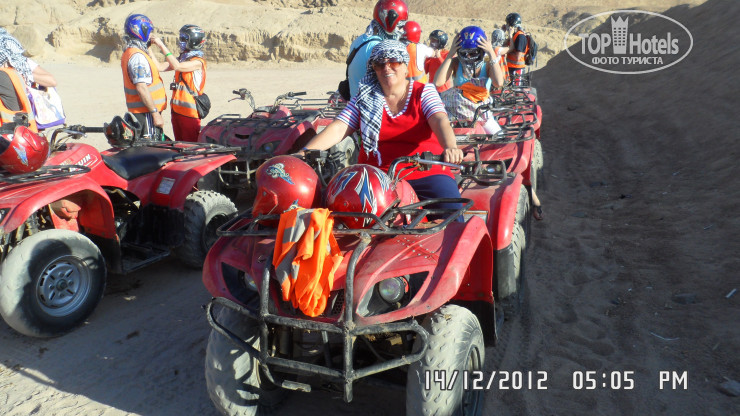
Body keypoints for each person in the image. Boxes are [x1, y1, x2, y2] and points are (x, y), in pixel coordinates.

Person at [302, 40, 464, 217]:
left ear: (405, 66)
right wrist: (304, 153)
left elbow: (440, 120)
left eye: (394, 62)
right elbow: (339, 127)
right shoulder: (365, 98)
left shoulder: (424, 92)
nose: (387, 67)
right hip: (376, 177)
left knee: (452, 214)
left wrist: (450, 147)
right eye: (379, 64)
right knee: (342, 218)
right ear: (374, 69)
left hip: (426, 172)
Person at [433, 26, 504, 123]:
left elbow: (499, 83)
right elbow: (437, 82)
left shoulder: (487, 65)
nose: (468, 56)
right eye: (464, 53)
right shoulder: (456, 63)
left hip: (481, 115)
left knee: (497, 132)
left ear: (481, 51)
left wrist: (491, 52)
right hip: (457, 116)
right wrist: (450, 55)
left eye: (473, 53)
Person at [150, 24, 207, 142]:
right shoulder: (182, 59)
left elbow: (177, 66)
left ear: (194, 41)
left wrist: (161, 45)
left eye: (184, 39)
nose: (181, 41)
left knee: (190, 148)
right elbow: (159, 67)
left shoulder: (198, 62)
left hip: (189, 114)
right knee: (179, 146)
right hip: (176, 112)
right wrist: (148, 48)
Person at [346, 0, 408, 99]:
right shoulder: (380, 49)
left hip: (355, 101)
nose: (403, 31)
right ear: (390, 22)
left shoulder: (359, 40)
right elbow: (390, 86)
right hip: (370, 104)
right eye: (400, 26)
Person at [120, 14, 168, 139]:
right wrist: (155, 113)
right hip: (145, 113)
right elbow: (141, 87)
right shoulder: (138, 57)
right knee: (150, 146)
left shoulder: (133, 51)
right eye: (149, 31)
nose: (151, 34)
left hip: (144, 112)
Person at [0, 28, 56, 132]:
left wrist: (24, 74)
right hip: (27, 127)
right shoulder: (20, 64)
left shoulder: (22, 63)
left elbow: (52, 81)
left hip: (13, 130)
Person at [502, 12, 528, 83]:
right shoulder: (513, 35)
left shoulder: (520, 37)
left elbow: (517, 57)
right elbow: (502, 46)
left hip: (517, 71)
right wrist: (503, 32)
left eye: (507, 24)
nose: (506, 25)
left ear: (512, 25)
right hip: (510, 69)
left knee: (515, 89)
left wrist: (508, 51)